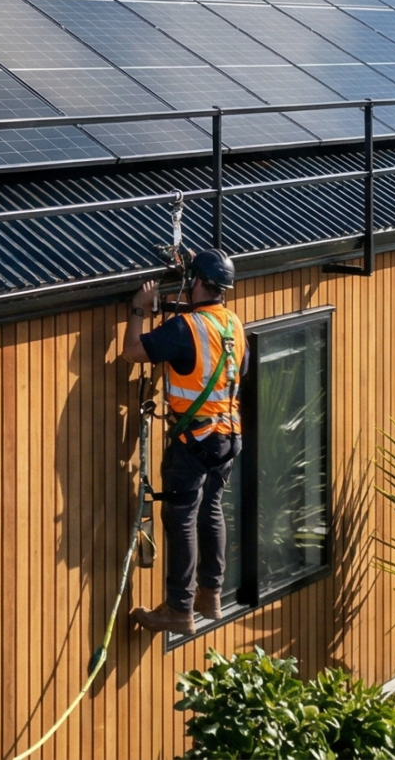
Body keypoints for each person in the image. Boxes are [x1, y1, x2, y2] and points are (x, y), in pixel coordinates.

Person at [121, 247, 242, 637]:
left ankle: (179, 609)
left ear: (198, 283)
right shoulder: (233, 325)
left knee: (181, 519)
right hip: (227, 436)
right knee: (211, 509)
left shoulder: (185, 328)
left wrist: (139, 309)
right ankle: (211, 594)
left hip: (195, 440)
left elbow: (132, 352)